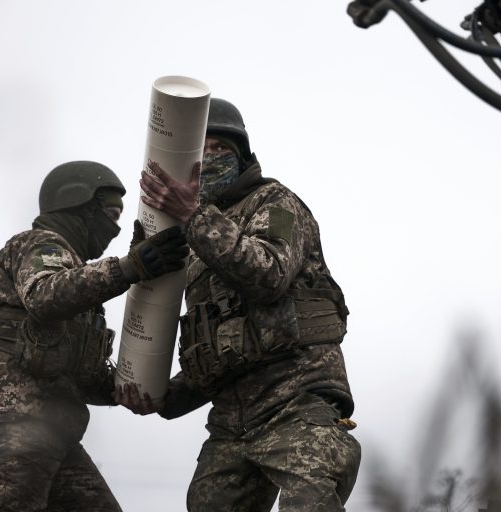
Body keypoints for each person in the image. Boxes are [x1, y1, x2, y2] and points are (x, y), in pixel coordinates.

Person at [117, 98, 361, 511]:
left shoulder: (277, 204)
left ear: (242, 157)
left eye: (221, 150)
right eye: (202, 151)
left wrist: (194, 217)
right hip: (231, 422)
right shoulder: (195, 244)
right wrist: (162, 397)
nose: (210, 158)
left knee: (310, 503)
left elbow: (269, 274)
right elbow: (219, 348)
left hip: (297, 404)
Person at [0, 160, 190, 512]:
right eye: (110, 214)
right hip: (15, 419)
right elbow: (44, 295)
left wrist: (133, 390)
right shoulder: (39, 245)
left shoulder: (79, 280)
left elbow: (87, 375)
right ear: (79, 204)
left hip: (55, 428)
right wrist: (130, 267)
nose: (114, 228)